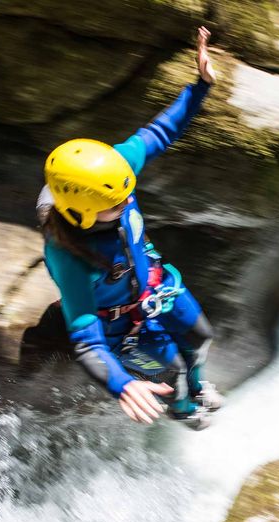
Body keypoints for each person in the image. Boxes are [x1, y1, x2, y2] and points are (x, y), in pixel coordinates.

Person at [37, 27, 222, 429]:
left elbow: (159, 132)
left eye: (126, 194)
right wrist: (121, 384)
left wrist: (200, 86)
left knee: (200, 336)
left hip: (156, 286)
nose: (127, 204)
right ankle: (183, 409)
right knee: (171, 369)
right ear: (83, 213)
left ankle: (198, 387)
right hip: (118, 323)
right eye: (115, 205)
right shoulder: (69, 256)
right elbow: (87, 340)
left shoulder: (112, 173)